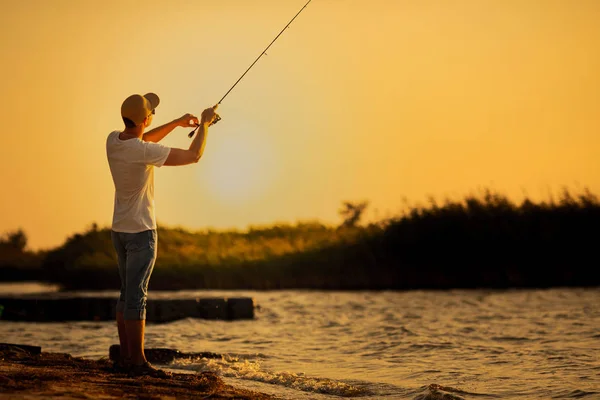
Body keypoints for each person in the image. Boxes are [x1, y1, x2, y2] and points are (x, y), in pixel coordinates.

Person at [106, 93, 218, 377]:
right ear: (145, 119)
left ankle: (126, 358)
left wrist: (179, 122)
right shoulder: (143, 151)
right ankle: (138, 362)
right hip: (141, 233)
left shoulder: (113, 140)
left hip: (119, 231)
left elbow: (144, 140)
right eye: (151, 114)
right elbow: (193, 156)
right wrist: (204, 124)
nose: (152, 118)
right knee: (137, 297)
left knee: (126, 294)